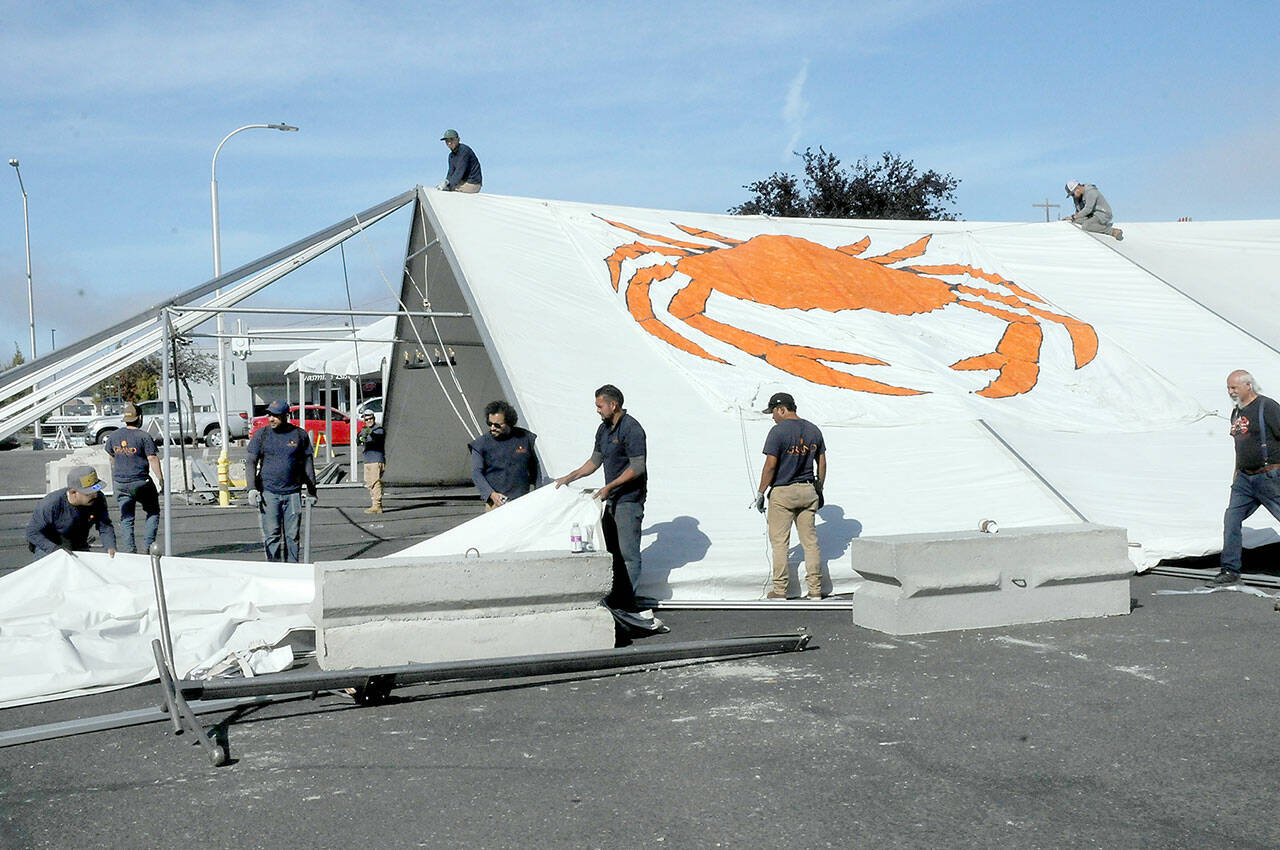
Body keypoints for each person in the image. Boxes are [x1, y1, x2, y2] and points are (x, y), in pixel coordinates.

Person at [555, 384, 658, 622]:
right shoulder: (604, 429)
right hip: (610, 499)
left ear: (613, 405)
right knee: (611, 552)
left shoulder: (631, 428)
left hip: (628, 499)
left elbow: (637, 467)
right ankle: (615, 600)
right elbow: (594, 461)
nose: (598, 411)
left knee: (628, 554)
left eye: (600, 406)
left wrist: (609, 487)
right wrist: (569, 477)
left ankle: (628, 604)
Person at [753, 391, 827, 600]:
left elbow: (770, 465)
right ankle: (815, 590)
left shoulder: (777, 432)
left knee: (780, 543)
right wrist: (819, 489)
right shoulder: (813, 430)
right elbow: (821, 462)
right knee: (810, 543)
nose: (773, 417)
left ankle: (780, 590)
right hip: (808, 490)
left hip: (783, 492)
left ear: (781, 409)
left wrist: (761, 492)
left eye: (773, 412)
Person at [1212, 370, 1280, 585]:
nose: (1230, 392)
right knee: (1231, 519)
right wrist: (1235, 478)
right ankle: (1230, 570)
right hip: (1244, 479)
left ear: (1248, 385)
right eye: (1228, 388)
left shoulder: (1266, 406)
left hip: (1269, 476)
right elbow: (1239, 448)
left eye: (1234, 387)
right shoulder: (1236, 413)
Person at [246, 399, 317, 562]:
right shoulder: (261, 435)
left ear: (286, 415)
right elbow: (250, 461)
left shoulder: (299, 435)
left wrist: (312, 491)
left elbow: (308, 464)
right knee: (272, 535)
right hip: (269, 493)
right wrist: (251, 488)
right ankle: (275, 569)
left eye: (276, 416)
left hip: (293, 494)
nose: (271, 419)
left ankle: (293, 569)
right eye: (269, 415)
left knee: (292, 536)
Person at [103, 403, 164, 553]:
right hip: (140, 481)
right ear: (140, 418)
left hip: (120, 482)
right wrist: (161, 479)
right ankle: (149, 548)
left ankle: (130, 551)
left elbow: (111, 455)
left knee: (126, 517)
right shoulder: (144, 436)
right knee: (153, 511)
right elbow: (152, 458)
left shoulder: (114, 436)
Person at [27, 466, 117, 559]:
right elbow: (32, 533)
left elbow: (105, 525)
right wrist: (55, 549)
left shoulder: (98, 499)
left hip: (78, 541)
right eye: (89, 493)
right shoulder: (51, 504)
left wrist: (110, 546)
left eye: (96, 490)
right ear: (73, 492)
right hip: (49, 544)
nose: (95, 495)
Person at [469, 400, 539, 510]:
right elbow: (476, 473)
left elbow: (536, 467)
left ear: (509, 422)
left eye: (497, 425)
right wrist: (491, 494)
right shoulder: (480, 444)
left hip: (522, 500)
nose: (492, 428)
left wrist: (538, 492)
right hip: (496, 502)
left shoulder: (526, 438)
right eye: (490, 424)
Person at [357, 409, 386, 514]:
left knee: (375, 482)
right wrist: (361, 436)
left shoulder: (379, 429)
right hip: (367, 460)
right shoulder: (364, 430)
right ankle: (374, 503)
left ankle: (377, 505)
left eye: (370, 419)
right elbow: (358, 440)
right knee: (369, 483)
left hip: (376, 459)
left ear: (374, 418)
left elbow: (378, 439)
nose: (369, 421)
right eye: (366, 419)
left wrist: (371, 433)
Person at [436, 129, 482, 193]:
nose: (449, 143)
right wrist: (446, 182)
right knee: (445, 189)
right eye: (447, 141)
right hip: (462, 182)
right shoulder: (451, 156)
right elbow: (451, 173)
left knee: (449, 191)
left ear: (458, 139)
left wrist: (449, 186)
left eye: (451, 139)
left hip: (473, 184)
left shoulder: (464, 151)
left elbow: (459, 171)